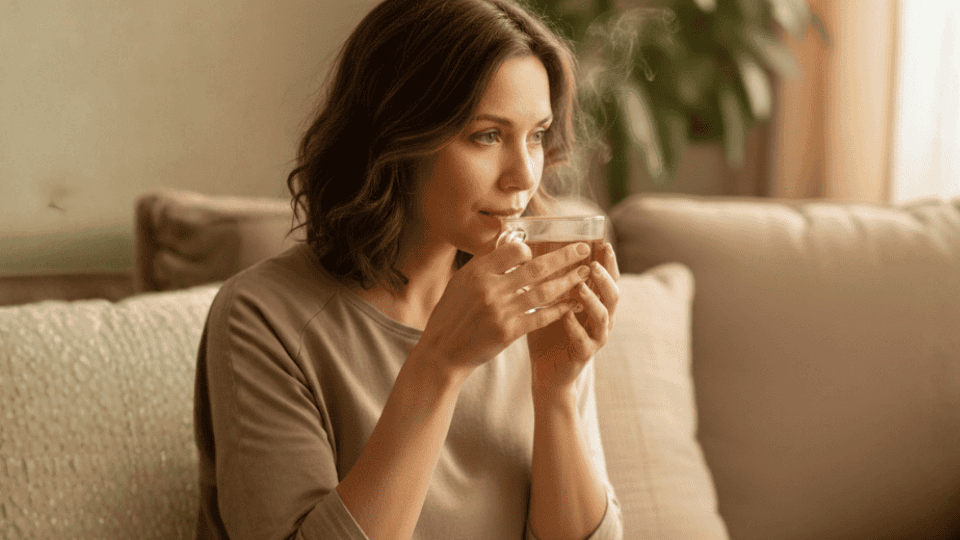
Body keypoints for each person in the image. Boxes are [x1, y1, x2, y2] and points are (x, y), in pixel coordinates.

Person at [193, 0, 624, 538]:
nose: (524, 176)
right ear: (397, 139)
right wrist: (440, 362)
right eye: (487, 135)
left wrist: (557, 390)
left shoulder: (529, 295)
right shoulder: (262, 318)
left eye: (535, 135)